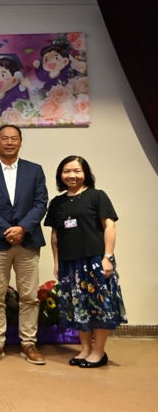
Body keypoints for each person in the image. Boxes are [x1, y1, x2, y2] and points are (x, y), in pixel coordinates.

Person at [0, 125, 48, 365]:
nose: (9, 142)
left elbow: (41, 203)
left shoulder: (34, 170)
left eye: (13, 138)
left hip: (28, 240)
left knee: (29, 296)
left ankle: (29, 343)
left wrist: (23, 228)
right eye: (4, 138)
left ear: (20, 142)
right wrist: (7, 230)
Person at [44, 156, 127, 367]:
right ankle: (85, 349)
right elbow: (55, 235)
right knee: (78, 307)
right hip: (69, 263)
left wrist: (108, 257)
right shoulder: (57, 202)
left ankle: (99, 352)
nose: (71, 175)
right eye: (66, 171)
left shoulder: (97, 196)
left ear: (85, 174)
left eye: (77, 171)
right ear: (60, 175)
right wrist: (56, 262)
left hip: (95, 261)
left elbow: (110, 226)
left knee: (99, 307)